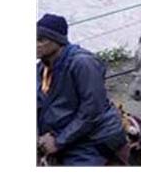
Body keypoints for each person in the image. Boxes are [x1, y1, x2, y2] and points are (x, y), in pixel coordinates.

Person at [37, 14, 128, 166]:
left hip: (92, 137)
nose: (35, 44)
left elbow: (91, 111)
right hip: (60, 132)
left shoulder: (83, 64)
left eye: (41, 40)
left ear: (58, 41)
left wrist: (59, 141)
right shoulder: (41, 68)